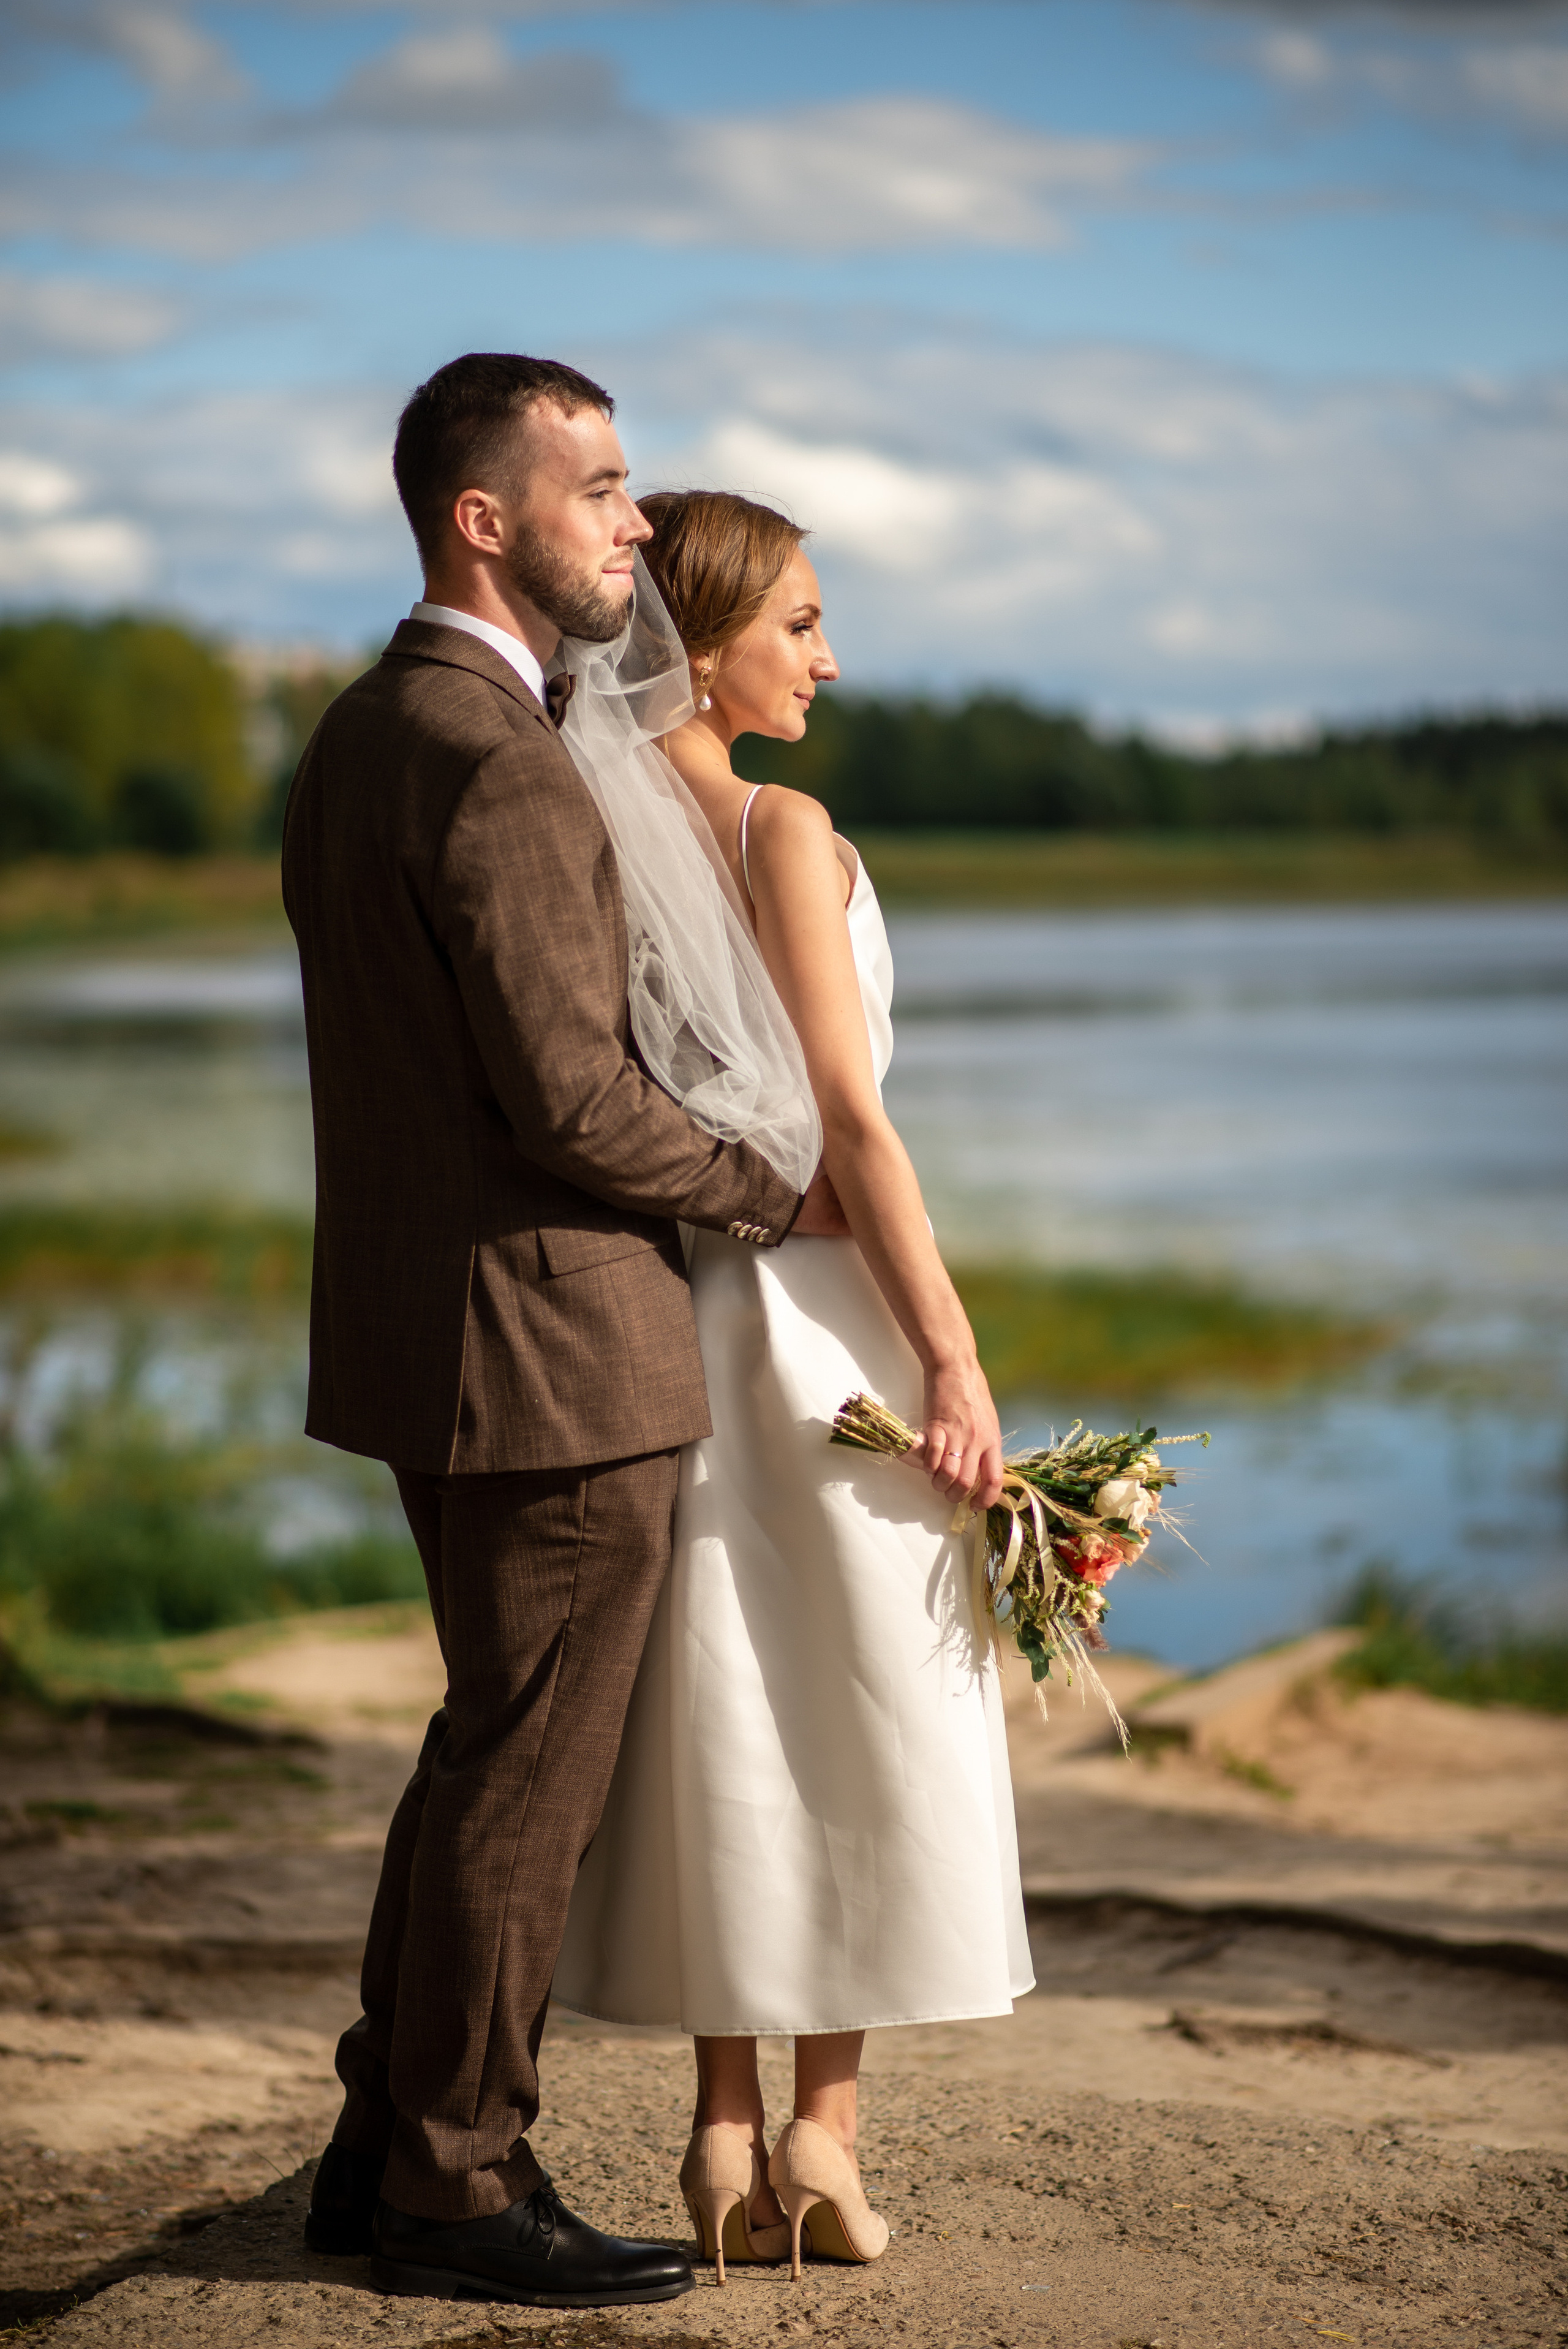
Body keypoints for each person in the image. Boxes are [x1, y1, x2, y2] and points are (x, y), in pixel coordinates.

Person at [282, 357, 847, 2310]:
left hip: (427, 1336)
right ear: (483, 519)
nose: (633, 521)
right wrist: (787, 1192)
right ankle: (454, 2181)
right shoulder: (503, 758)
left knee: (475, 1753)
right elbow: (573, 1104)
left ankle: (379, 2142)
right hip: (551, 1352)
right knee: (529, 1780)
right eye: (599, 489)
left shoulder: (366, 730)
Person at [552, 491, 1035, 2283]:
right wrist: (958, 1357)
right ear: (708, 630)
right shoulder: (781, 822)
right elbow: (851, 1121)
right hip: (830, 1329)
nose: (829, 657)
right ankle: (828, 2133)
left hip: (677, 1318)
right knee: (865, 1702)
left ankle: (723, 2127)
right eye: (804, 623)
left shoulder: (585, 814)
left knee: (726, 1711)